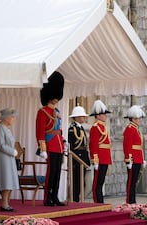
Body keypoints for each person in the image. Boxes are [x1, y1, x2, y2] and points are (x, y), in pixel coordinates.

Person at [35, 71, 66, 207]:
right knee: (51, 173)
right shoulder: (42, 112)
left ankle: (55, 196)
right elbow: (40, 132)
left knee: (58, 173)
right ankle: (47, 198)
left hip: (58, 145)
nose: (56, 99)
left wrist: (63, 142)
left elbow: (59, 130)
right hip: (49, 145)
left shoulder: (57, 112)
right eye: (54, 96)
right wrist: (43, 149)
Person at [0, 108, 20, 212]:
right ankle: (4, 204)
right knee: (5, 180)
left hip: (8, 158)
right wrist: (12, 151)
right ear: (6, 118)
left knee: (9, 180)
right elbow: (0, 144)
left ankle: (6, 203)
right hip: (2, 159)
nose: (14, 119)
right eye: (12, 117)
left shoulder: (6, 128)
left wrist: (13, 151)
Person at [89, 100, 112, 203]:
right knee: (97, 182)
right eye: (103, 114)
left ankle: (100, 200)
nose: (105, 116)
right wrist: (95, 160)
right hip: (99, 158)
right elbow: (93, 145)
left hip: (105, 156)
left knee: (101, 180)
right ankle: (97, 201)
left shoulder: (103, 126)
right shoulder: (95, 127)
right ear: (97, 116)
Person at [123, 105, 146, 204]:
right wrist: (128, 159)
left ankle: (133, 200)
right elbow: (127, 145)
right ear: (133, 118)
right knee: (131, 181)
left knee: (134, 181)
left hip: (137, 158)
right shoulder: (130, 129)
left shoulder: (136, 129)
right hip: (132, 159)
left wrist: (142, 159)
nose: (139, 120)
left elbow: (139, 146)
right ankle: (130, 200)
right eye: (137, 118)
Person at [67, 106, 90, 202]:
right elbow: (71, 144)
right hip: (76, 156)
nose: (84, 118)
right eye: (82, 116)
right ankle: (75, 199)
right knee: (76, 180)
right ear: (76, 117)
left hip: (83, 155)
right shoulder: (73, 128)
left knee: (81, 180)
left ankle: (79, 197)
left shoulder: (80, 127)